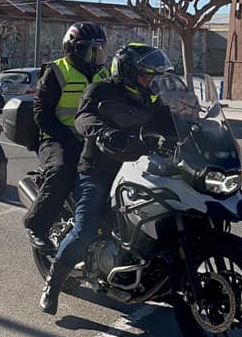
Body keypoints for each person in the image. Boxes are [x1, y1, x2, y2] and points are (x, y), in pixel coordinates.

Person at [40, 43, 178, 315]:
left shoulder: (150, 97)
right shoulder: (101, 89)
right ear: (128, 72)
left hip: (140, 168)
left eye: (152, 77)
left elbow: (170, 123)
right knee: (85, 229)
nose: (149, 81)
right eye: (144, 75)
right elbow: (84, 117)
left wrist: (194, 129)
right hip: (98, 169)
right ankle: (52, 285)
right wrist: (103, 133)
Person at [24, 22, 110, 250]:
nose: (95, 56)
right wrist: (68, 138)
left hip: (93, 137)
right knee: (62, 170)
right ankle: (37, 226)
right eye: (90, 50)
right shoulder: (56, 71)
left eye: (99, 50)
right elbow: (42, 114)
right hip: (56, 138)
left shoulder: (103, 73)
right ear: (73, 49)